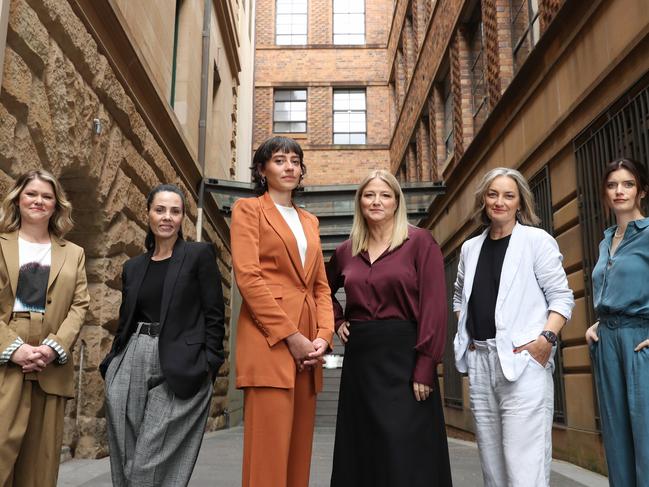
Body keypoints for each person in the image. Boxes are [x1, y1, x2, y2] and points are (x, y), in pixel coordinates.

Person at [327, 169, 452, 487]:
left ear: (397, 202)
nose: (376, 201)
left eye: (385, 195)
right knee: (363, 449)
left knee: (407, 450)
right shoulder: (345, 251)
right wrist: (337, 319)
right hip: (361, 362)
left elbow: (434, 307)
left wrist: (426, 364)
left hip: (406, 357)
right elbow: (319, 291)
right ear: (360, 202)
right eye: (369, 195)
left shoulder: (420, 243)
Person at [453, 167, 574, 487]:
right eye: (493, 194)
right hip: (481, 362)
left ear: (520, 202)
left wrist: (545, 340)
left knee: (524, 467)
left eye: (508, 195)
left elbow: (562, 297)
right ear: (483, 200)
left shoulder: (536, 241)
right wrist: (466, 335)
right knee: (492, 467)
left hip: (523, 360)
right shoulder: (470, 248)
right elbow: (458, 297)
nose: (500, 202)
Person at [100, 184, 225, 487]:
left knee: (148, 462)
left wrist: (209, 364)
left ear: (183, 218)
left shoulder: (199, 255)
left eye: (175, 211)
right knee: (126, 457)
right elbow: (126, 319)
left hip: (180, 363)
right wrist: (111, 363)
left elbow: (214, 315)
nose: (167, 217)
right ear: (148, 214)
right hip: (131, 357)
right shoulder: (133, 267)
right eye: (160, 210)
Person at [231, 136, 334, 487]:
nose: (289, 166)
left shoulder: (310, 221)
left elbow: (320, 286)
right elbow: (249, 278)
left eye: (295, 160)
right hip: (269, 341)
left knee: (298, 453)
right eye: (279, 160)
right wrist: (293, 337)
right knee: (267, 454)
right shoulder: (248, 210)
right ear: (262, 169)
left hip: (308, 348)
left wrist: (322, 337)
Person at [0, 170, 90, 487]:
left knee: (40, 467)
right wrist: (14, 348)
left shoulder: (74, 253)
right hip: (6, 359)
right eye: (32, 194)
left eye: (47, 196)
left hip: (51, 363)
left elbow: (80, 305)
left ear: (56, 205)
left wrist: (54, 348)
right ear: (18, 198)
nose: (39, 201)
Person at [585, 158, 649, 487]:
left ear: (641, 191)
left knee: (645, 434)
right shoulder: (606, 239)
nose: (619, 191)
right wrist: (597, 323)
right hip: (606, 340)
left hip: (639, 340)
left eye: (627, 184)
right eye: (612, 185)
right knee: (616, 435)